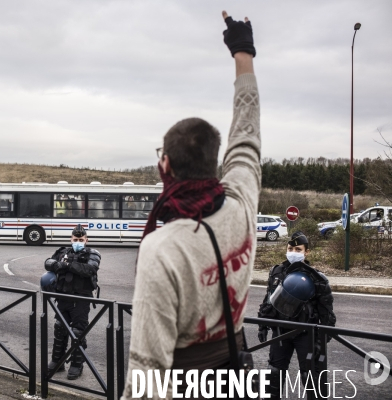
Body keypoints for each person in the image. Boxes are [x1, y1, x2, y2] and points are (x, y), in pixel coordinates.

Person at [121, 11, 260, 399]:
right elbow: (247, 132)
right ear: (215, 161)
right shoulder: (241, 203)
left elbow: (148, 369)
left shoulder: (162, 248)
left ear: (165, 164)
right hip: (236, 370)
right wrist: (243, 53)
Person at [257, 231, 336, 398]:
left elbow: (327, 312)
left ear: (306, 252)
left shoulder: (317, 279)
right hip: (280, 331)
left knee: (311, 378)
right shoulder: (276, 271)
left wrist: (322, 339)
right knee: (274, 374)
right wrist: (262, 324)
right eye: (290, 248)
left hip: (306, 333)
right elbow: (268, 300)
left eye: (298, 249)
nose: (293, 252)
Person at [44, 224, 100, 380]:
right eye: (75, 239)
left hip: (81, 299)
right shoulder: (62, 252)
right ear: (71, 239)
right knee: (60, 329)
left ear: (86, 240)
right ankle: (57, 361)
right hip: (62, 297)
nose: (78, 241)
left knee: (78, 332)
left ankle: (76, 365)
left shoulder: (93, 254)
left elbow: (89, 270)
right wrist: (56, 264)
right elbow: (48, 263)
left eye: (81, 239)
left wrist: (67, 265)